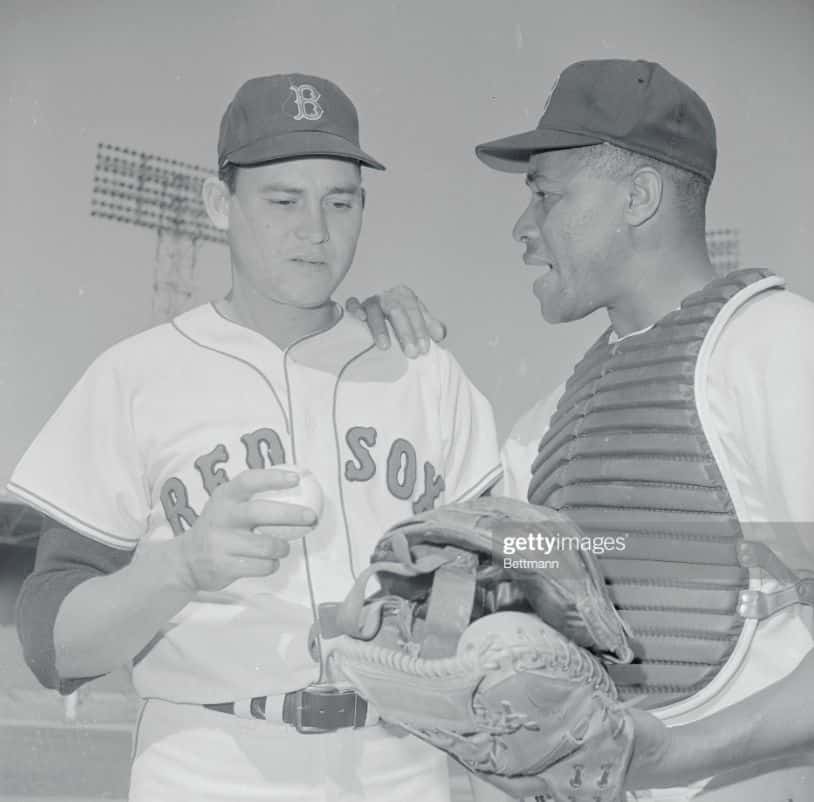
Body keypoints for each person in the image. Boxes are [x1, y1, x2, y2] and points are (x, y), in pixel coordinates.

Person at [9, 73, 501, 802]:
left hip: (402, 764)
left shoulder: (425, 372)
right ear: (219, 205)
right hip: (208, 764)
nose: (315, 229)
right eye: (282, 200)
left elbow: (523, 560)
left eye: (341, 201)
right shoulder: (137, 376)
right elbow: (51, 645)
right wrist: (180, 568)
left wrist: (444, 599)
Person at [348, 59, 814, 801]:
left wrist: (674, 755)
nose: (522, 228)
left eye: (545, 195)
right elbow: (569, 562)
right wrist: (428, 604)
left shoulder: (775, 351)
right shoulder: (548, 424)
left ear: (638, 197)